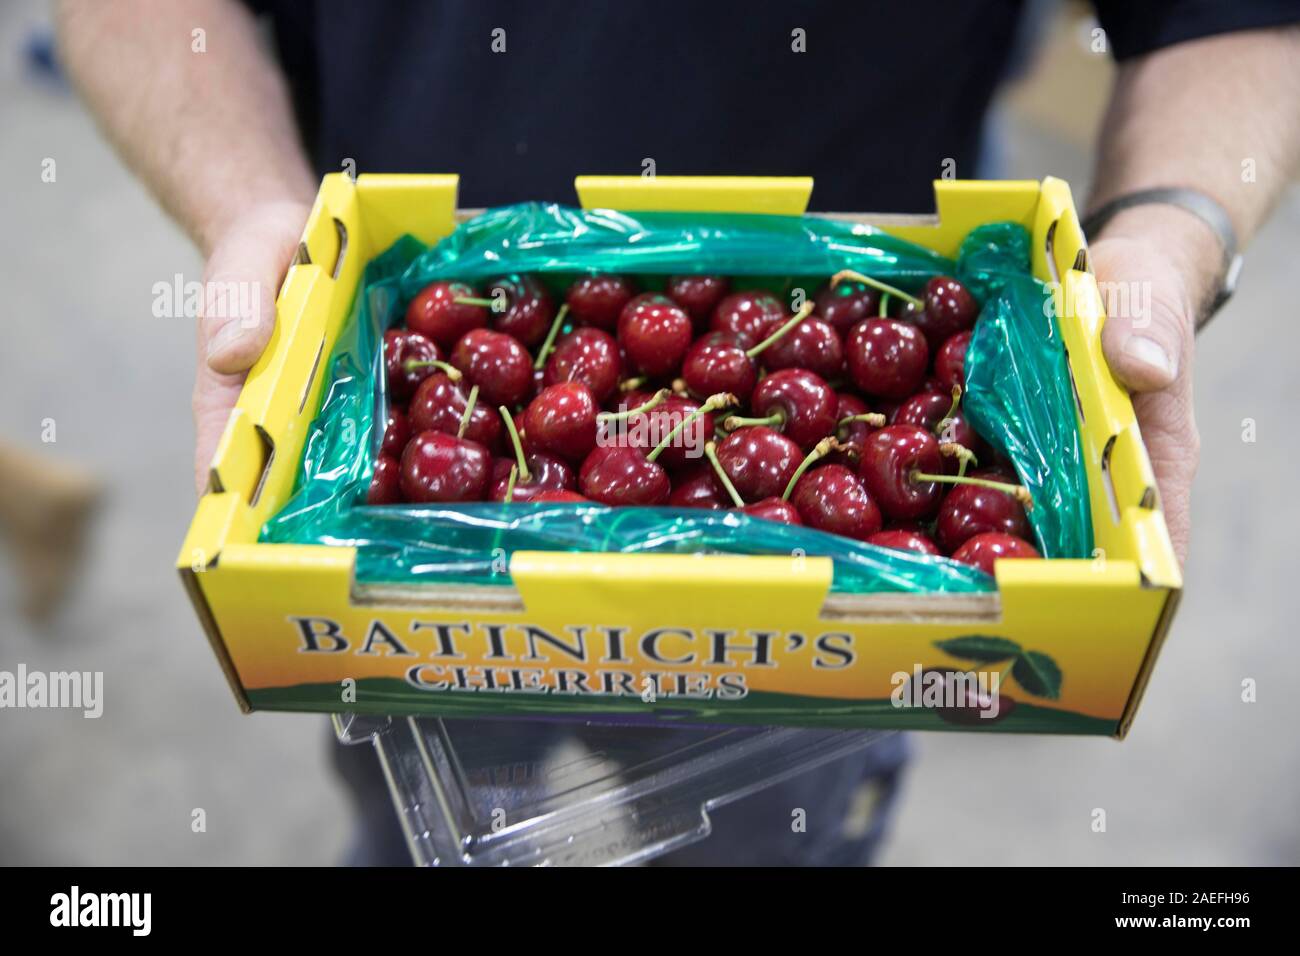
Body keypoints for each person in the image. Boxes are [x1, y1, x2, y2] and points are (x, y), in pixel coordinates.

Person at [56, 0, 1300, 865]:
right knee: (433, 819)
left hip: (830, 583)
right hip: (409, 570)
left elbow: (1226, 16)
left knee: (774, 835)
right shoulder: (475, 378)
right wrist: (250, 214)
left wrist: (1169, 229)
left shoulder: (809, 410)